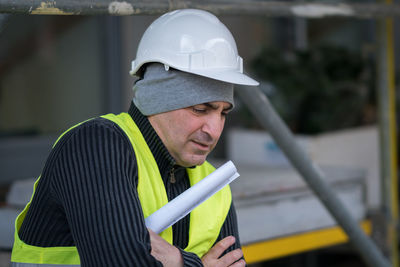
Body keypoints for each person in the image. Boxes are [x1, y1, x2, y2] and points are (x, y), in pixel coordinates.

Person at [11, 9, 258, 267]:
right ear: (157, 99)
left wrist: (175, 260)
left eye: (223, 113)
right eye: (200, 109)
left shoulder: (212, 184)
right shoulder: (95, 145)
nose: (214, 130)